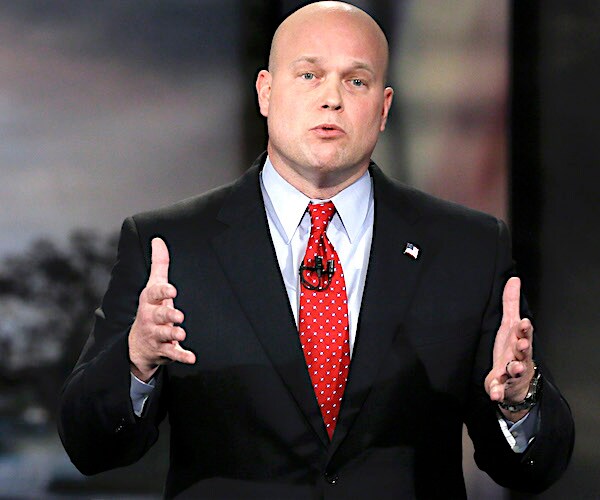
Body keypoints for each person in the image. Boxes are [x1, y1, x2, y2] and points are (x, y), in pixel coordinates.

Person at [58, 2, 574, 498]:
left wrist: (519, 403)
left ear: (384, 107)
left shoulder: (468, 248)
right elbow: (90, 446)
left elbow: (535, 469)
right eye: (309, 75)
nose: (332, 98)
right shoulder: (172, 247)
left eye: (356, 80)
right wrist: (136, 363)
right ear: (265, 91)